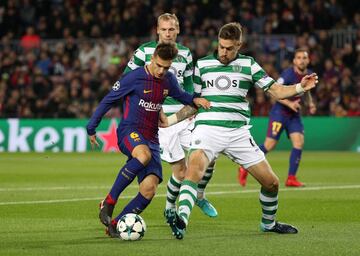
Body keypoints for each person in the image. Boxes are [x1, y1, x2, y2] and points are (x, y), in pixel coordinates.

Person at [163, 23, 318, 239]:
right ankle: (181, 221)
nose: (224, 52)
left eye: (229, 48)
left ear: (239, 45)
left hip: (239, 133)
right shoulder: (203, 64)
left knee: (272, 183)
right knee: (193, 171)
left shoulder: (249, 65)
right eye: (221, 47)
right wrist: (168, 121)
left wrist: (300, 87)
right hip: (208, 128)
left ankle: (269, 223)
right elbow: (194, 102)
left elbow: (277, 91)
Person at [86, 43, 210, 237]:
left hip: (152, 139)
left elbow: (182, 96)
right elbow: (109, 99)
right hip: (130, 131)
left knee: (149, 190)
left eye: (166, 67)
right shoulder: (134, 77)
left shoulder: (168, 80)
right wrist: (91, 127)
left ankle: (116, 225)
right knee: (142, 155)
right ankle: (108, 202)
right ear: (152, 58)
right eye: (159, 65)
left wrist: (195, 100)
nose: (162, 71)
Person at [124, 13, 218, 220]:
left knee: (209, 156)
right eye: (164, 29)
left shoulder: (185, 53)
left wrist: (192, 104)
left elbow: (189, 85)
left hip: (184, 116)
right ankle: (169, 207)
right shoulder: (144, 51)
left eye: (171, 29)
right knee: (181, 171)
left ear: (178, 30)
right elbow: (127, 80)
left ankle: (199, 195)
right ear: (157, 30)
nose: (167, 33)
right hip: (160, 118)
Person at [238, 49, 316, 187]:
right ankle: (245, 166)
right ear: (294, 61)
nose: (302, 60)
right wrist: (290, 103)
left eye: (304, 58)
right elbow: (274, 93)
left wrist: (310, 103)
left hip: (294, 115)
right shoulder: (287, 74)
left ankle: (291, 178)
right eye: (299, 58)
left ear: (308, 60)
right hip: (280, 113)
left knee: (299, 143)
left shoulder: (308, 75)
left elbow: (306, 90)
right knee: (270, 144)